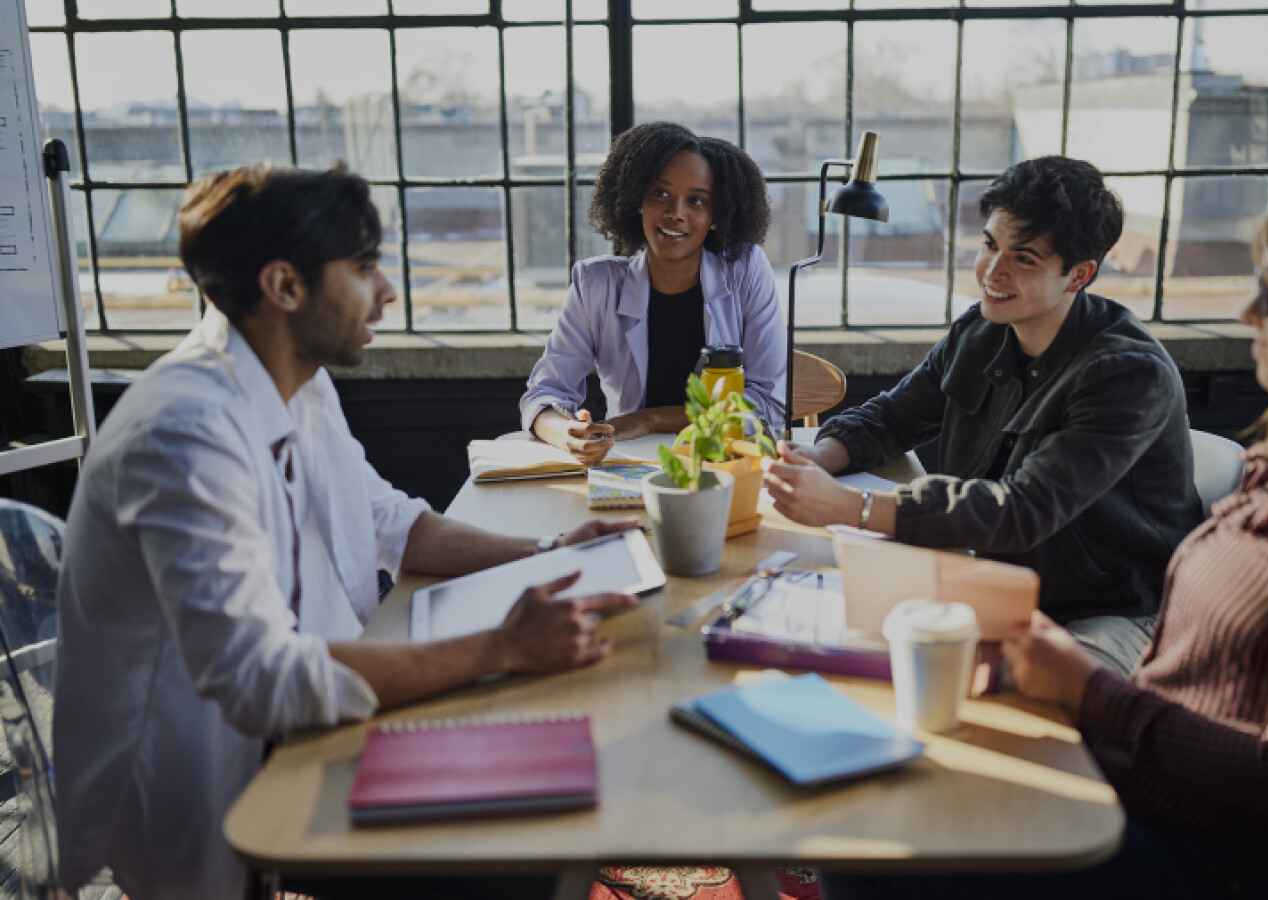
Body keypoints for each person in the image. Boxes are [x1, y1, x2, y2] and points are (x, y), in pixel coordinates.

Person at [54, 165, 638, 900]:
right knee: (515, 861)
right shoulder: (183, 434)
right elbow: (260, 680)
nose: (388, 290)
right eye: (363, 268)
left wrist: (550, 555)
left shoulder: (299, 379)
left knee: (539, 787)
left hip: (304, 724)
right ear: (285, 287)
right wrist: (502, 646)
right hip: (209, 786)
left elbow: (392, 522)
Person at [823, 167, 1268, 900]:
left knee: (869, 841)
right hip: (1145, 769)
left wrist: (1088, 692)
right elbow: (1191, 672)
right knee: (883, 775)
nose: (1250, 311)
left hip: (1231, 858)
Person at [762, 156, 1202, 676]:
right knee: (842, 639)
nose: (994, 272)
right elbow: (896, 415)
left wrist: (851, 508)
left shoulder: (1126, 375)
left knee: (1002, 708)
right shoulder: (984, 330)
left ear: (1079, 274)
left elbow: (1021, 511)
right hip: (996, 576)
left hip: (1110, 610)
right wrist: (817, 455)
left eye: (1026, 258)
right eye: (991, 245)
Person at [521, 121, 785, 464]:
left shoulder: (746, 269)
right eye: (661, 194)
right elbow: (544, 394)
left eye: (697, 201)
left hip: (726, 460)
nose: (676, 213)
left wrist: (648, 420)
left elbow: (767, 405)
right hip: (631, 465)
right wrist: (566, 434)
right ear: (637, 200)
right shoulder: (595, 283)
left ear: (717, 215)